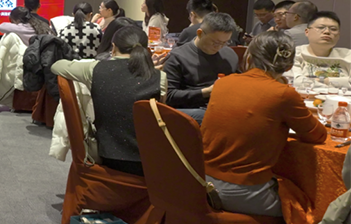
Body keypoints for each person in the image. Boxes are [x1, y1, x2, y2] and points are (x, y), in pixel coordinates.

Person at [203, 31, 327, 216]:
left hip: (201, 180)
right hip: (243, 191)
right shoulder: (283, 94)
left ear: (249, 58)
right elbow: (317, 135)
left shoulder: (223, 83)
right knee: (310, 209)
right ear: (289, 66)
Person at [52, 26, 167, 176]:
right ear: (147, 50)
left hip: (107, 155)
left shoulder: (95, 69)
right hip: (148, 160)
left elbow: (57, 66)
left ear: (113, 47)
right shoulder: (160, 77)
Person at [162, 12, 239, 122]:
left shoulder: (229, 55)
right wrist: (206, 91)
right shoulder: (178, 57)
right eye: (215, 42)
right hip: (192, 109)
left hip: (222, 105)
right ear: (200, 33)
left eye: (225, 42)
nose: (219, 47)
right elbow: (169, 96)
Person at [289, 11, 350, 88]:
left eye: (333, 29)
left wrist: (324, 80)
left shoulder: (347, 55)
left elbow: (303, 82)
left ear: (338, 35)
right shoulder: (294, 54)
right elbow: (294, 81)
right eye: (320, 28)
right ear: (307, 32)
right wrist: (341, 82)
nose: (327, 32)